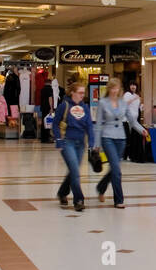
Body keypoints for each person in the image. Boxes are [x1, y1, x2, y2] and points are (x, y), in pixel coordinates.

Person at [93, 78, 146, 207]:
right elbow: (99, 124)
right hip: (107, 137)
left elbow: (132, 121)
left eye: (116, 88)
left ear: (119, 89)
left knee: (114, 168)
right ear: (108, 89)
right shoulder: (103, 103)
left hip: (121, 138)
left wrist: (142, 130)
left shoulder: (123, 103)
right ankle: (119, 199)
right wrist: (96, 144)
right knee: (117, 169)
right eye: (112, 88)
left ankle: (101, 187)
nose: (114, 90)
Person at [53, 81, 95, 211]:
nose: (82, 95)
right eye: (80, 92)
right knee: (76, 172)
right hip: (67, 142)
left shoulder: (85, 107)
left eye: (84, 92)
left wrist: (92, 143)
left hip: (80, 143)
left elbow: (89, 126)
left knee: (73, 171)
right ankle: (78, 199)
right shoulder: (64, 106)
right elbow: (55, 124)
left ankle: (62, 192)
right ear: (72, 93)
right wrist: (59, 140)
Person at [122, 82, 145, 162]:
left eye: (134, 85)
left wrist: (142, 106)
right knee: (128, 138)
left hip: (135, 120)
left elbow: (137, 107)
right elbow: (125, 104)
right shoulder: (127, 94)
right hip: (127, 120)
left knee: (132, 138)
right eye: (131, 85)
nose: (133, 86)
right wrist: (134, 99)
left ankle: (130, 154)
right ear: (129, 86)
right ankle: (126, 155)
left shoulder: (137, 95)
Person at [36, 75, 56, 144]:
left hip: (43, 107)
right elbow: (50, 98)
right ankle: (47, 138)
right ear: (50, 83)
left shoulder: (42, 89)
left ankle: (43, 138)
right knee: (48, 122)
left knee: (43, 122)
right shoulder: (50, 89)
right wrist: (51, 108)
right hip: (47, 108)